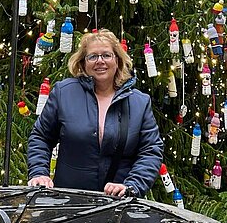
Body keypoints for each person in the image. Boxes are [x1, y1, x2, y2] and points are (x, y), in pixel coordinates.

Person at [27, 29, 163, 197]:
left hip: (119, 205)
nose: (100, 61)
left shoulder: (139, 103)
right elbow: (41, 137)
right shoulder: (64, 93)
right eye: (93, 56)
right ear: (83, 63)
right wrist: (39, 173)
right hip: (68, 203)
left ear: (118, 60)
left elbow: (151, 149)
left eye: (106, 55)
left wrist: (132, 185)